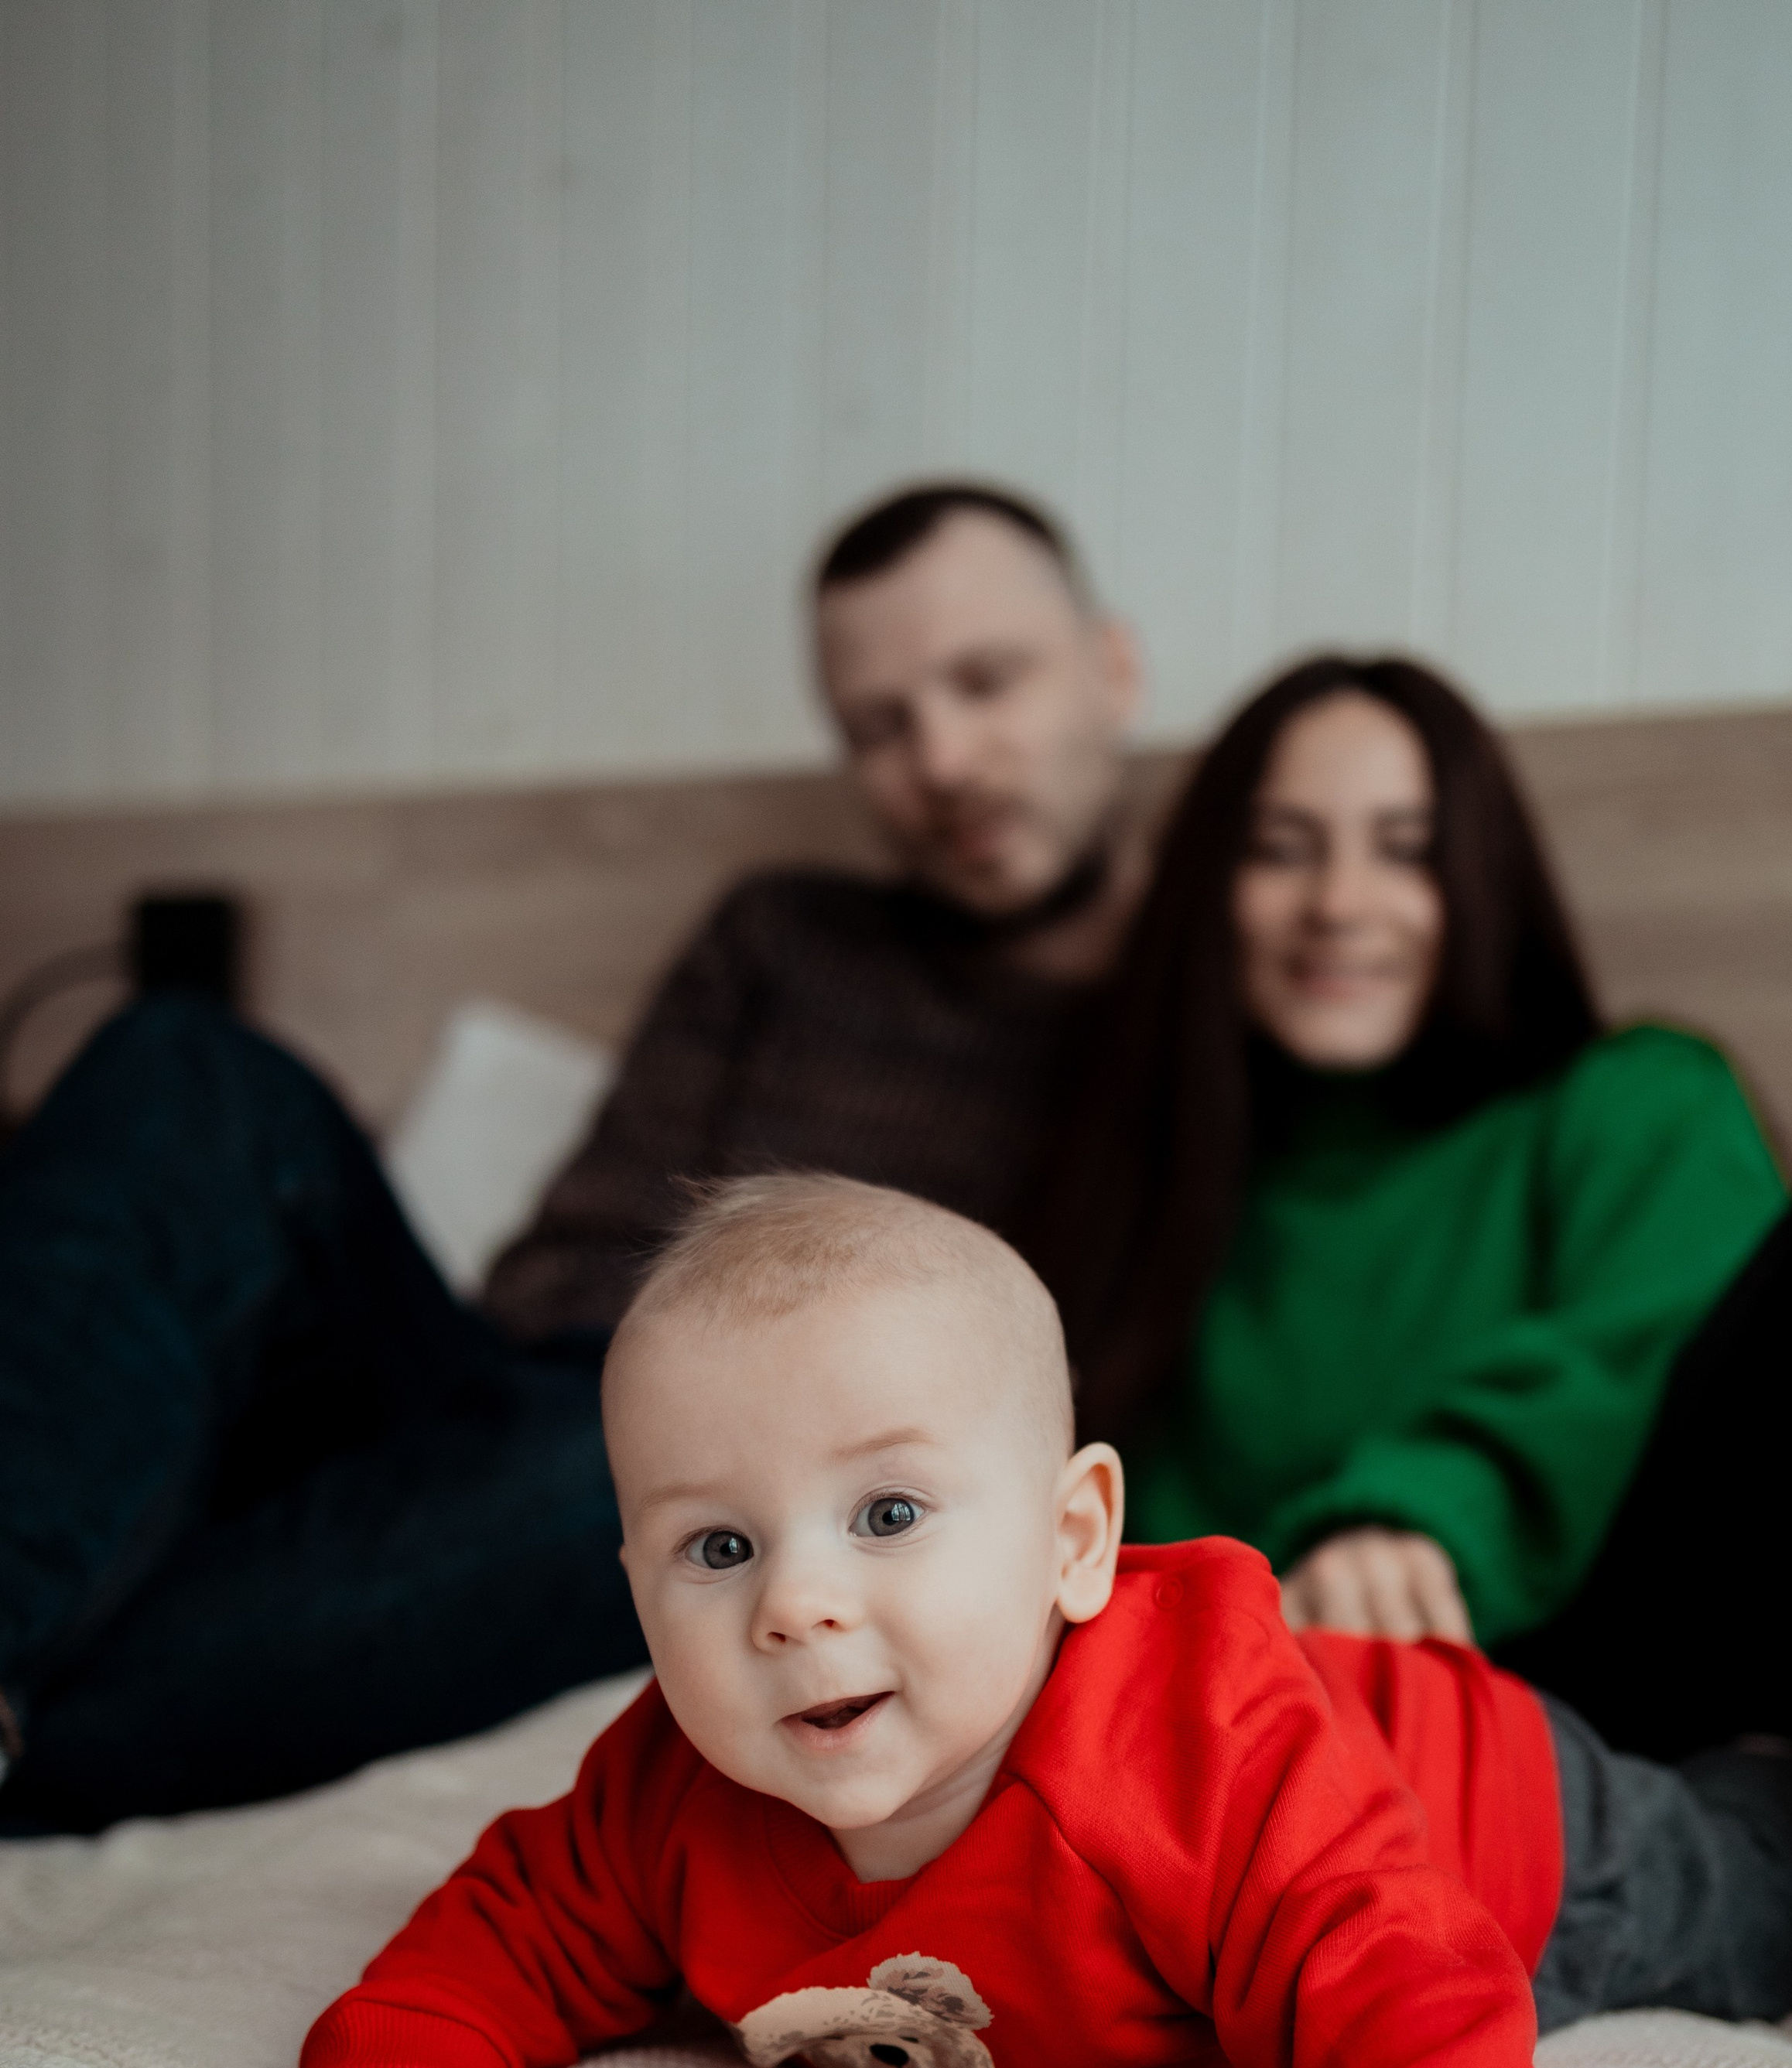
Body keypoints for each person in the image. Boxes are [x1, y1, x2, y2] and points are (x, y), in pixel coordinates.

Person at [245, 1174, 1792, 2068]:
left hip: (1513, 1828)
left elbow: (1399, 1980)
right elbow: (519, 1918)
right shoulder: (670, 1791)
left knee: (1754, 1899)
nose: (794, 1605)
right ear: (635, 1587)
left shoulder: (1191, 1764)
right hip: (1375, 1806)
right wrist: (414, 2053)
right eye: (716, 1546)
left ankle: (1789, 1767)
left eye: (887, 1514)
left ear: (1075, 1540)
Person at [0, 482, 1144, 1834]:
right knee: (184, 1062)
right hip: (517, 1388)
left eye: (987, 683)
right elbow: (575, 1256)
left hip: (696, 1499)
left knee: (642, 1489)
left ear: (1112, 669)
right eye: (879, 727)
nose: (941, 759)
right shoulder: (780, 932)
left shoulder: (1187, 1020)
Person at [1028, 653, 1792, 2068]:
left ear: (1480, 881)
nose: (1341, 902)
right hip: (1374, 1743)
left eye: (1406, 850)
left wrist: (1414, 1508)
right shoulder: (1145, 1223)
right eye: (1282, 849)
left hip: (1672, 1652)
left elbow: (1647, 1344)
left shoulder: (1633, 1099)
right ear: (1207, 892)